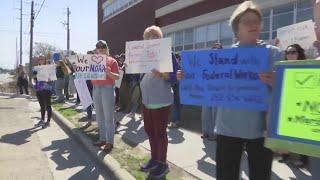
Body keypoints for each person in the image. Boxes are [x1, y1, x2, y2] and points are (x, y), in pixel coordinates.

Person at [177, 1, 283, 179]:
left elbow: (289, 92)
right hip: (228, 129)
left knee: (261, 175)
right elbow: (206, 81)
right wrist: (187, 77)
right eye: (247, 21)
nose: (253, 25)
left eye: (256, 20)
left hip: (261, 131)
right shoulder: (223, 57)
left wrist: (278, 82)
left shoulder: (273, 53)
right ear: (236, 28)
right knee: (226, 175)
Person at [139, 25, 175, 178]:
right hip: (147, 101)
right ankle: (154, 159)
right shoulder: (143, 56)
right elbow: (139, 78)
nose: (152, 39)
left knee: (160, 134)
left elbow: (174, 78)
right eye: (149, 37)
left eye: (155, 36)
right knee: (150, 131)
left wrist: (162, 75)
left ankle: (163, 164)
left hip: (161, 101)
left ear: (160, 39)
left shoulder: (168, 54)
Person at [91, 40, 119, 152]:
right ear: (96, 48)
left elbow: (117, 77)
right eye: (98, 46)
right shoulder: (92, 61)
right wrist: (77, 68)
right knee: (99, 116)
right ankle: (102, 139)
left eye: (103, 46)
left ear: (106, 48)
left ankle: (109, 142)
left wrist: (109, 73)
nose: (100, 48)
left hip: (107, 89)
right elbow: (85, 73)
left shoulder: (112, 61)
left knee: (108, 117)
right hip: (96, 89)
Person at [200, 43, 223, 140]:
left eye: (217, 49)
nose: (215, 51)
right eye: (214, 49)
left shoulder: (224, 64)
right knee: (205, 113)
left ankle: (214, 134)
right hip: (207, 91)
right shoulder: (207, 63)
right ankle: (205, 132)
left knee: (215, 114)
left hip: (218, 92)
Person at [33, 56, 53, 128]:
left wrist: (50, 79)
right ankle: (42, 120)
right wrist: (35, 79)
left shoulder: (49, 68)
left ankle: (48, 122)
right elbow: (34, 78)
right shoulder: (36, 68)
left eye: (42, 59)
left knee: (48, 105)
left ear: (45, 60)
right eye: (39, 59)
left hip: (46, 88)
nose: (40, 60)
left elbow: (52, 78)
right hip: (39, 88)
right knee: (42, 106)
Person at [168, 53, 182, 129]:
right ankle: (177, 121)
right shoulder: (171, 55)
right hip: (175, 81)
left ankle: (174, 121)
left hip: (172, 82)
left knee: (174, 103)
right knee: (176, 103)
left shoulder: (168, 55)